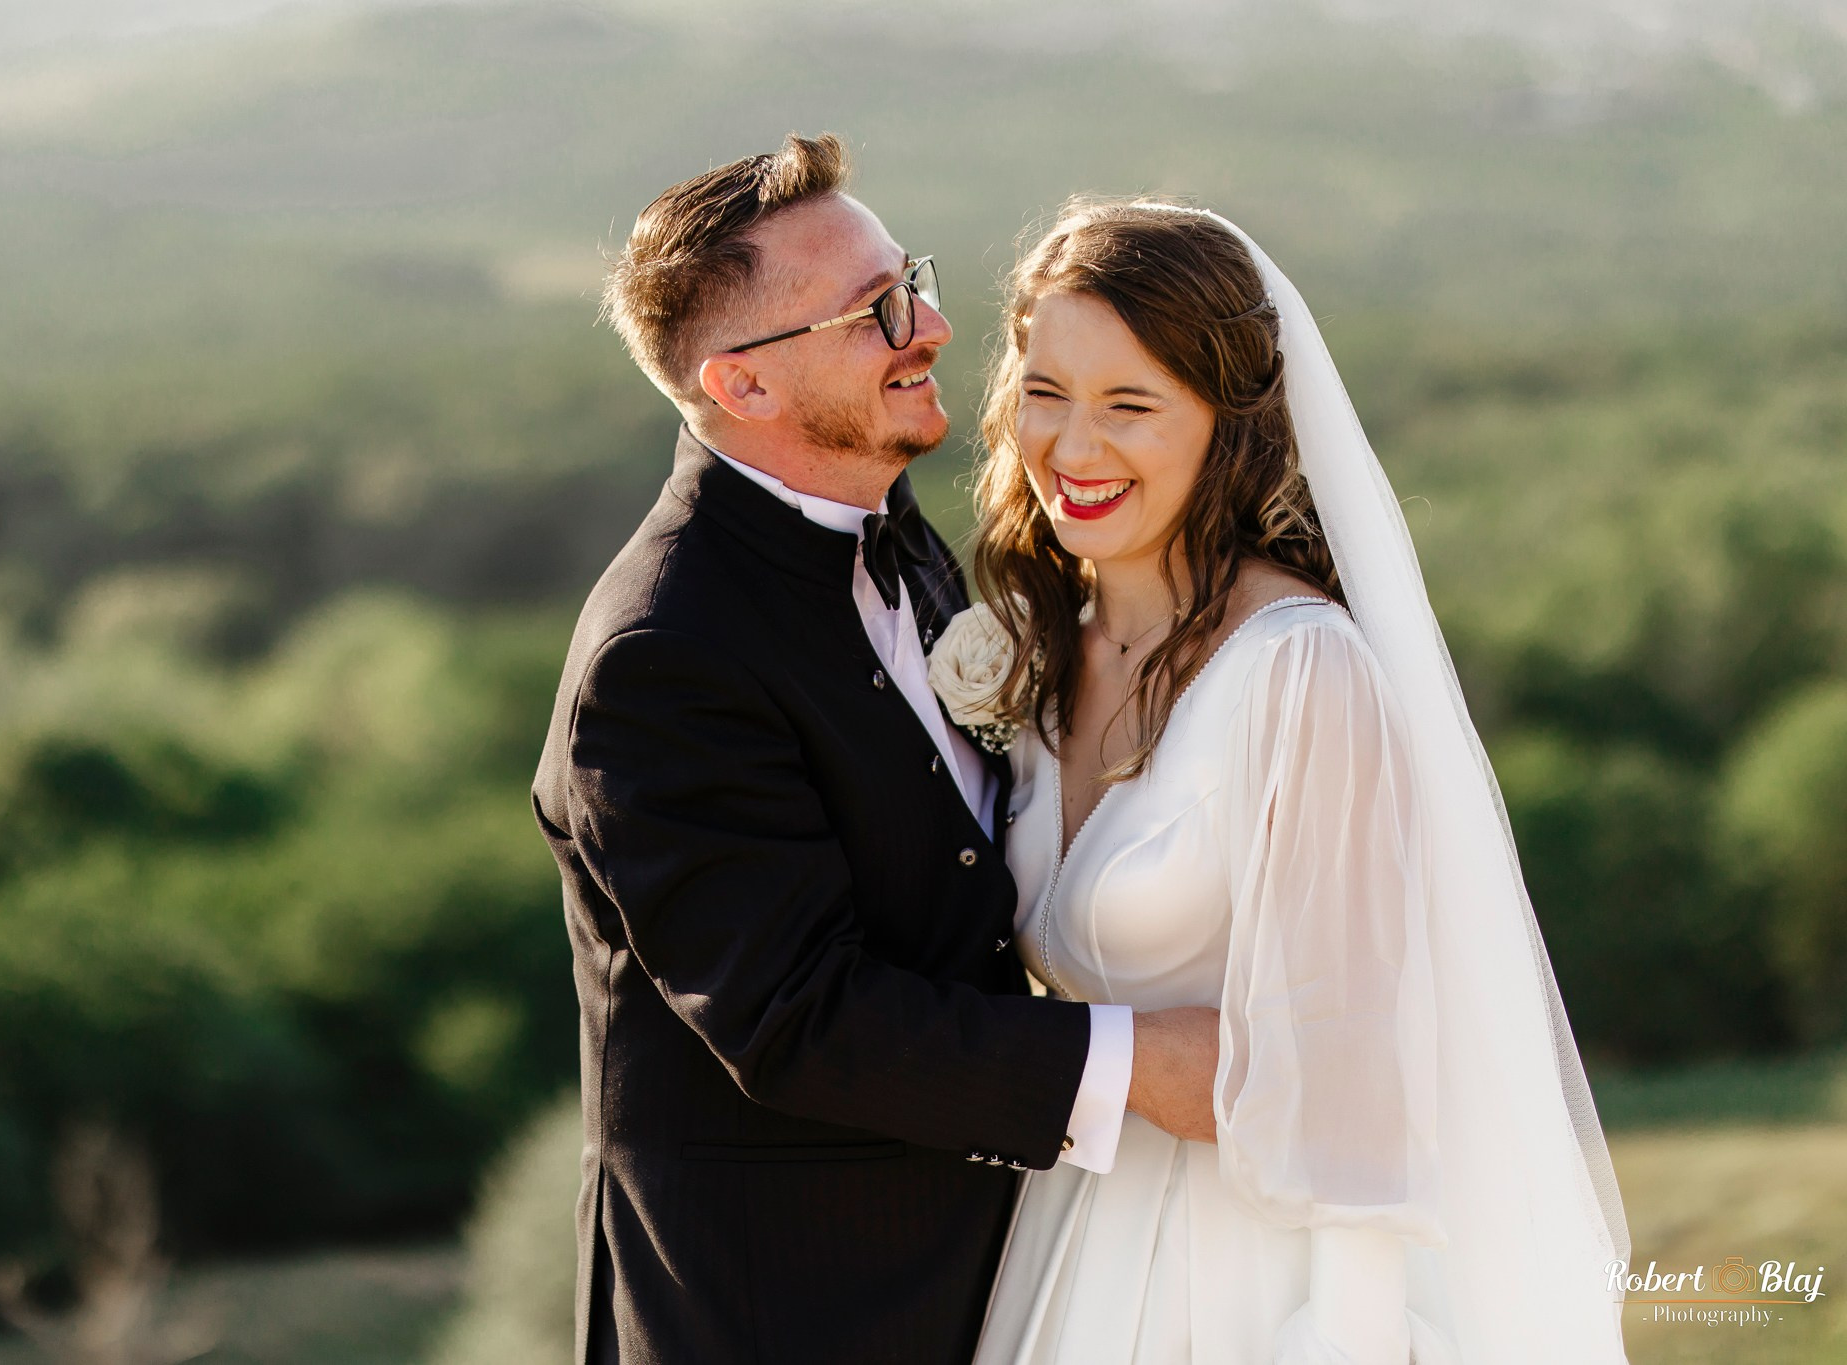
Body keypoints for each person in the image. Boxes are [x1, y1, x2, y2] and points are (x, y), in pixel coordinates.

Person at [530, 136, 1220, 1365]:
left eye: (912, 280)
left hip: (980, 1282)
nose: (934, 325)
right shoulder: (660, 660)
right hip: (781, 1313)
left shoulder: (891, 533)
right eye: (875, 312)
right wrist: (1137, 1065)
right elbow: (798, 1015)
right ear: (739, 386)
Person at [938, 200, 1633, 1364]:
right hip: (1068, 1245)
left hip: (1251, 1283)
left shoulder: (1299, 675)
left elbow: (1360, 1107)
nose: (1069, 446)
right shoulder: (1041, 651)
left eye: (1130, 405)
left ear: (1228, 428)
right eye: (1043, 391)